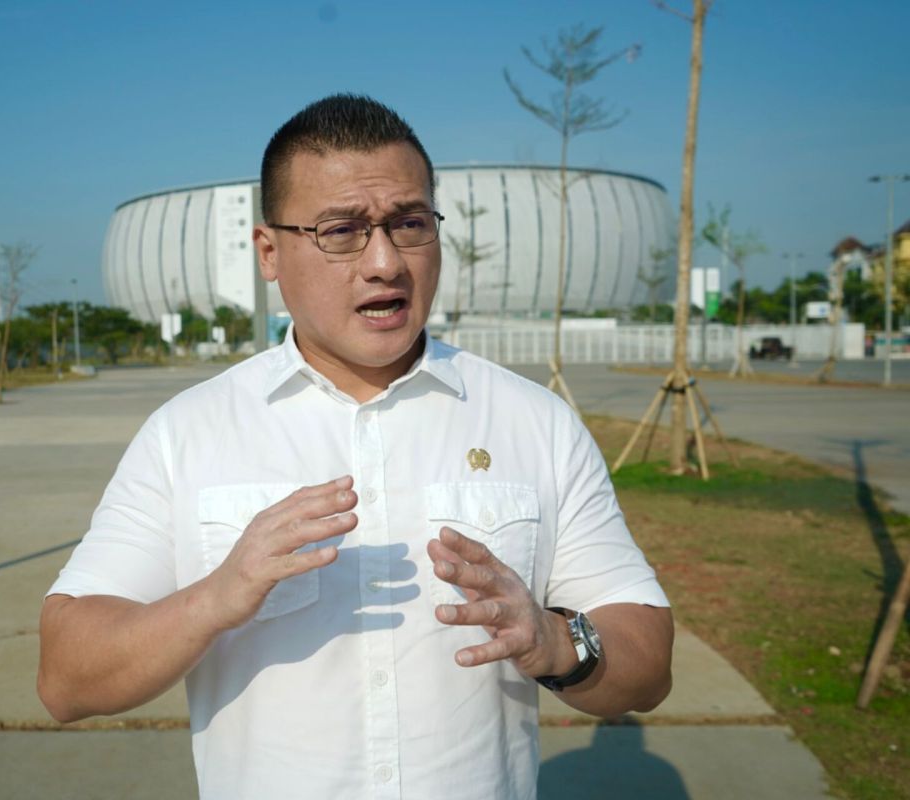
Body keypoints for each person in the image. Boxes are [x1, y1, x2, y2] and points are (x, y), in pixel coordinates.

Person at [38, 94, 673, 799]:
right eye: (341, 231)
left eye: (410, 224)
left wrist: (554, 642)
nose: (385, 262)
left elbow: (647, 663)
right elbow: (66, 677)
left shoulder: (535, 422)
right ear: (269, 252)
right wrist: (216, 596)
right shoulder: (187, 433)